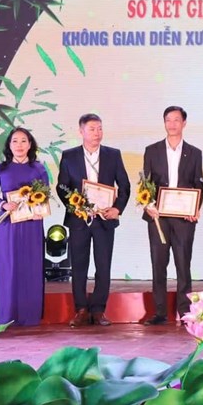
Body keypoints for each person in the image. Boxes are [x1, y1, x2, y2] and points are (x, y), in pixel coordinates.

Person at [56, 113, 131, 327]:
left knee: (103, 266)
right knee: (79, 266)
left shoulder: (113, 155)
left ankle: (98, 310)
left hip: (104, 220)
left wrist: (117, 208)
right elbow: (62, 187)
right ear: (81, 132)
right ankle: (80, 309)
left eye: (99, 128)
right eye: (92, 129)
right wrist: (76, 205)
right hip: (79, 221)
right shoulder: (69, 156)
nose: (97, 133)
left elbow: (124, 186)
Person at [141, 105, 203, 325]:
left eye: (177, 120)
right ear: (164, 122)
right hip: (158, 216)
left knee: (183, 264)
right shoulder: (152, 150)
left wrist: (195, 208)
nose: (172, 124)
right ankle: (160, 312)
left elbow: (198, 184)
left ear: (184, 123)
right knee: (158, 263)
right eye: (168, 120)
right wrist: (147, 204)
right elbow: (145, 184)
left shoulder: (195, 153)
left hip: (184, 218)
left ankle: (185, 312)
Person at [0, 127, 48, 326]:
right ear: (9, 146)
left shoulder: (39, 168)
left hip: (32, 225)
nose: (19, 145)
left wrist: (40, 210)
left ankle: (30, 315)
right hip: (8, 225)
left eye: (23, 141)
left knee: (31, 267)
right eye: (15, 141)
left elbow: (44, 193)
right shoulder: (1, 169)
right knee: (8, 268)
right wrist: (3, 204)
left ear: (30, 144)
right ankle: (7, 314)